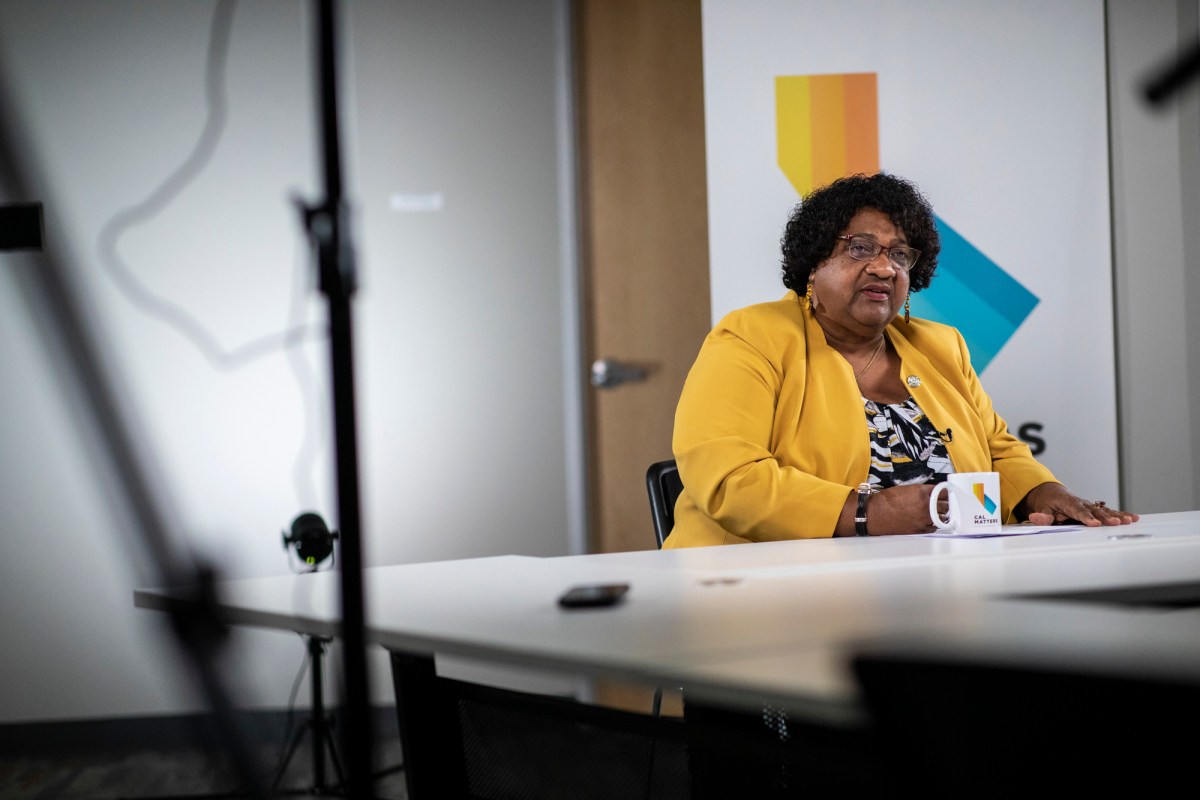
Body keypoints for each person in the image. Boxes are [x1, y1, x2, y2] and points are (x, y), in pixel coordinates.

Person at [663, 173, 1137, 548]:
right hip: (758, 594)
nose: (885, 267)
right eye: (861, 248)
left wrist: (1044, 494)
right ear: (814, 262)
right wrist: (870, 513)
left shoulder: (940, 345)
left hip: (935, 587)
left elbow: (997, 449)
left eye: (899, 255)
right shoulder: (751, 338)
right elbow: (731, 481)